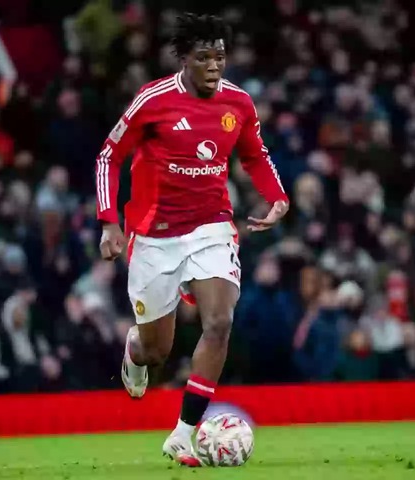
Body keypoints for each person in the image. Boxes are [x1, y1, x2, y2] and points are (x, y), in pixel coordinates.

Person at [94, 13, 289, 466]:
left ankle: (182, 434)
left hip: (212, 227)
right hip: (155, 238)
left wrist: (277, 197)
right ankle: (136, 352)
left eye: (219, 56)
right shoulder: (152, 100)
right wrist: (108, 222)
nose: (213, 65)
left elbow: (255, 154)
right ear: (184, 58)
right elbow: (109, 156)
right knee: (158, 349)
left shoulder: (239, 103)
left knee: (219, 321)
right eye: (203, 57)